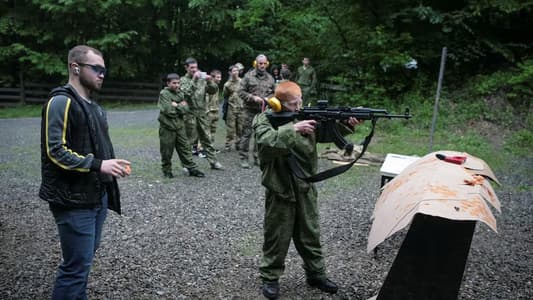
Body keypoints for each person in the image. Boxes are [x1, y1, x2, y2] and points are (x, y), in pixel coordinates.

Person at [252, 81, 361, 299]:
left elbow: (326, 133)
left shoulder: (305, 115)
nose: (298, 106)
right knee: (277, 236)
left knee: (310, 233)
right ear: (277, 103)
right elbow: (265, 145)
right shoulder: (264, 119)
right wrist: (292, 128)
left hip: (305, 187)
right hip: (279, 188)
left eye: (299, 101)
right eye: (293, 104)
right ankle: (270, 278)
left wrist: (345, 124)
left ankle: (316, 274)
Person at [40, 45, 129, 299]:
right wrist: (98, 164)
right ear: (75, 68)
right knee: (75, 268)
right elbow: (54, 151)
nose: (102, 74)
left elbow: (95, 147)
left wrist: (111, 164)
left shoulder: (95, 106)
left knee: (83, 262)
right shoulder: (61, 101)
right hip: (72, 200)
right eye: (97, 69)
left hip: (96, 196)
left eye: (104, 70)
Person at [158, 73, 205, 178]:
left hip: (179, 127)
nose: (177, 85)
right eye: (174, 83)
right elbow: (168, 111)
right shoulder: (164, 94)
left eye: (178, 83)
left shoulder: (180, 93)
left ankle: (191, 168)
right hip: (167, 128)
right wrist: (181, 107)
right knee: (166, 151)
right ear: (168, 83)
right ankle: (167, 170)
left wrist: (177, 105)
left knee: (185, 148)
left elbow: (186, 109)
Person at [180, 57, 223, 170]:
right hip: (189, 114)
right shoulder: (183, 80)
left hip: (202, 113)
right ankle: (187, 164)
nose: (194, 70)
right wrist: (194, 79)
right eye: (191, 68)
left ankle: (213, 162)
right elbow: (186, 94)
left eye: (196, 67)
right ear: (186, 68)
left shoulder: (202, 79)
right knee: (189, 140)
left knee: (206, 138)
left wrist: (210, 81)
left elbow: (213, 91)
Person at [238, 54, 275, 169]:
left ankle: (257, 157)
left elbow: (274, 92)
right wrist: (252, 97)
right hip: (249, 111)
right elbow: (240, 92)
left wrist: (269, 98)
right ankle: (243, 158)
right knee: (246, 135)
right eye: (260, 63)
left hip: (263, 112)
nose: (262, 66)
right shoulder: (248, 77)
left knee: (260, 135)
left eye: (264, 63)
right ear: (256, 64)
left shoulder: (270, 78)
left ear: (267, 64)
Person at [222, 65, 243, 151]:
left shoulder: (242, 82)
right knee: (230, 129)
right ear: (230, 72)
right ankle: (228, 145)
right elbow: (225, 96)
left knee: (240, 128)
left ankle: (239, 144)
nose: (235, 72)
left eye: (237, 71)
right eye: (234, 71)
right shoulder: (227, 84)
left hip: (241, 108)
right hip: (231, 108)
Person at [205, 69, 222, 144]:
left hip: (215, 110)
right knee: (206, 131)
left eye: (220, 77)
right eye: (217, 77)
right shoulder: (208, 87)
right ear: (212, 78)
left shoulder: (216, 87)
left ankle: (210, 148)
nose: (219, 79)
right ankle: (201, 149)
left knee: (213, 130)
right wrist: (206, 111)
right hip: (208, 111)